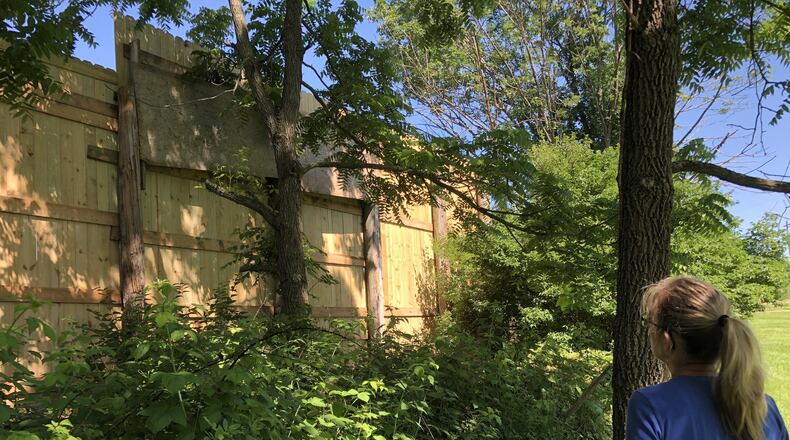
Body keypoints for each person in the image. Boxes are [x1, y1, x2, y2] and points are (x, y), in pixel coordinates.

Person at [626, 276, 788, 440]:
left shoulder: (649, 405)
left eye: (651, 324)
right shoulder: (764, 407)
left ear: (668, 340)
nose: (649, 331)